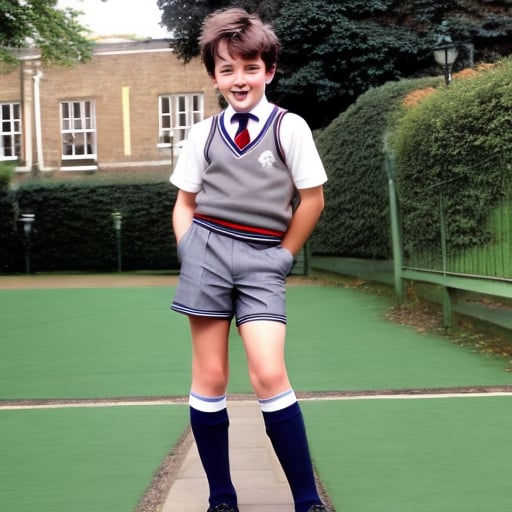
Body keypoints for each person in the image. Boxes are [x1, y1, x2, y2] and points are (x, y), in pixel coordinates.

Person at [170, 7, 330, 512]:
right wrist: (189, 249)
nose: (239, 80)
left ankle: (307, 500)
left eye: (250, 67)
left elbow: (312, 199)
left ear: (269, 69)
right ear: (214, 76)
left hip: (264, 258)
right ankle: (222, 497)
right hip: (208, 253)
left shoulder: (291, 128)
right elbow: (185, 202)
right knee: (211, 376)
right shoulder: (202, 134)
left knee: (268, 373)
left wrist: (284, 254)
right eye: (227, 69)